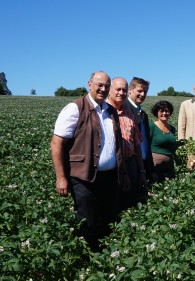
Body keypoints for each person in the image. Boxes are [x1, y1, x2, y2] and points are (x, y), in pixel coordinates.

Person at [50, 71, 129, 252]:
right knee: (87, 220)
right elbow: (56, 144)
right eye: (99, 85)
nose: (103, 89)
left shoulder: (111, 111)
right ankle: (87, 260)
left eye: (106, 86)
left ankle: (106, 258)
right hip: (84, 177)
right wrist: (61, 177)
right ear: (89, 84)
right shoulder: (75, 108)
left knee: (109, 218)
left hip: (109, 177)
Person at [106, 77, 147, 210]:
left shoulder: (130, 114)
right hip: (111, 168)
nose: (121, 93)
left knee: (129, 203)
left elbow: (137, 146)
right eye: (118, 89)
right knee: (111, 205)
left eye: (124, 90)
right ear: (110, 90)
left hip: (130, 164)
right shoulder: (102, 112)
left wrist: (141, 171)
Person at [124, 77, 156, 184]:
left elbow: (146, 144)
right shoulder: (123, 109)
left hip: (143, 164)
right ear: (130, 90)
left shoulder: (143, 115)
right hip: (129, 164)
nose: (142, 94)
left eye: (145, 92)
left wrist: (150, 169)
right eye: (139, 91)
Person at [149, 100, 179, 182]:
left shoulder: (172, 128)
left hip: (169, 165)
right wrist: (150, 168)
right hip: (155, 165)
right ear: (157, 113)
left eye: (167, 111)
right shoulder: (152, 127)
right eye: (161, 111)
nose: (164, 113)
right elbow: (146, 146)